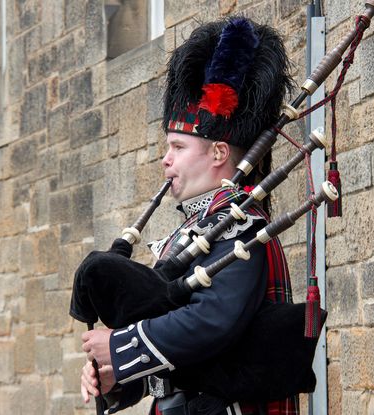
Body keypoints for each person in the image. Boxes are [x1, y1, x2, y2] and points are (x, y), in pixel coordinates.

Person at [77, 16, 298, 415]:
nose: (166, 160)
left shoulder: (242, 226)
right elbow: (183, 365)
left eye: (177, 147)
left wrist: (120, 346)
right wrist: (117, 378)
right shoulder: (194, 230)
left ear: (218, 153)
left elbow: (213, 321)